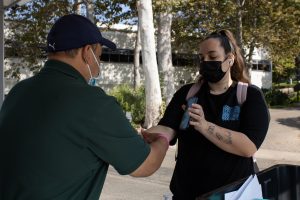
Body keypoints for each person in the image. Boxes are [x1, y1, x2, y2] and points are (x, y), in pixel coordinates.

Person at [0, 14, 169, 200]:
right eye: (99, 55)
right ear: (87, 52)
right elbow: (145, 165)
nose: (99, 62)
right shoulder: (93, 102)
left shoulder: (18, 91)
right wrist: (162, 138)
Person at [143, 29, 270, 199]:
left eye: (212, 56)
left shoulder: (249, 96)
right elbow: (168, 128)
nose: (206, 62)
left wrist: (204, 126)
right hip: (186, 194)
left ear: (229, 59)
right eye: (202, 58)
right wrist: (146, 134)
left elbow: (248, 147)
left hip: (235, 194)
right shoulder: (187, 94)